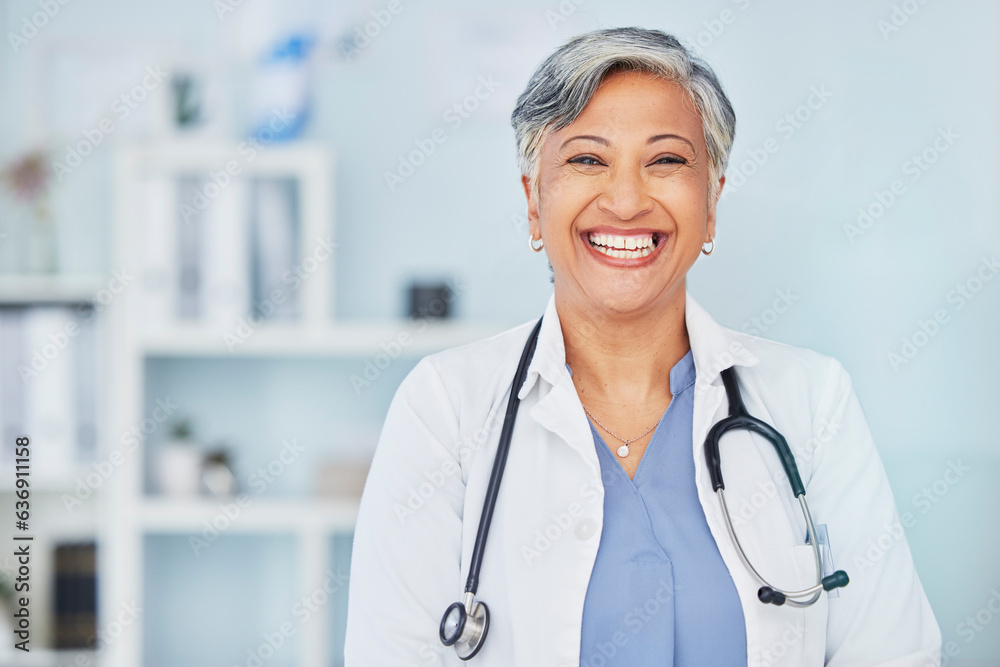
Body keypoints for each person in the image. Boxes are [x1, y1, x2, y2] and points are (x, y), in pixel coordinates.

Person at [344, 27, 941, 666]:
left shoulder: (810, 401)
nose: (626, 200)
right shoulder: (446, 409)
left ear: (711, 203)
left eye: (666, 161)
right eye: (586, 160)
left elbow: (892, 652)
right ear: (532, 203)